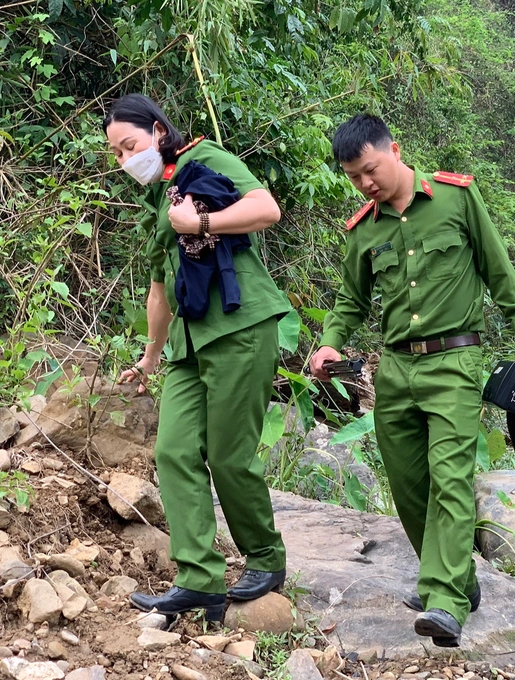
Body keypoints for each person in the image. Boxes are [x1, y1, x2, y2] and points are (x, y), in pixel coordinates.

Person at [309, 114, 515, 647]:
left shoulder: (456, 199)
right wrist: (331, 341)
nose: (366, 183)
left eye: (370, 169)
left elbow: (496, 266)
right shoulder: (364, 228)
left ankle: (444, 600)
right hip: (395, 369)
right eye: (354, 177)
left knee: (451, 477)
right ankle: (458, 577)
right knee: (409, 486)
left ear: (393, 149)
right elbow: (351, 300)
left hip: (454, 363)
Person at [105, 94, 290, 622]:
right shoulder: (156, 198)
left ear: (160, 130)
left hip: (239, 327)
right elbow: (159, 291)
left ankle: (266, 558)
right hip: (187, 344)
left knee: (230, 456)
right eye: (117, 153)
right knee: (174, 451)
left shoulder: (203, 160)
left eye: (130, 145)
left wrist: (202, 226)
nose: (124, 160)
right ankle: (200, 579)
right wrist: (148, 358)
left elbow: (266, 209)